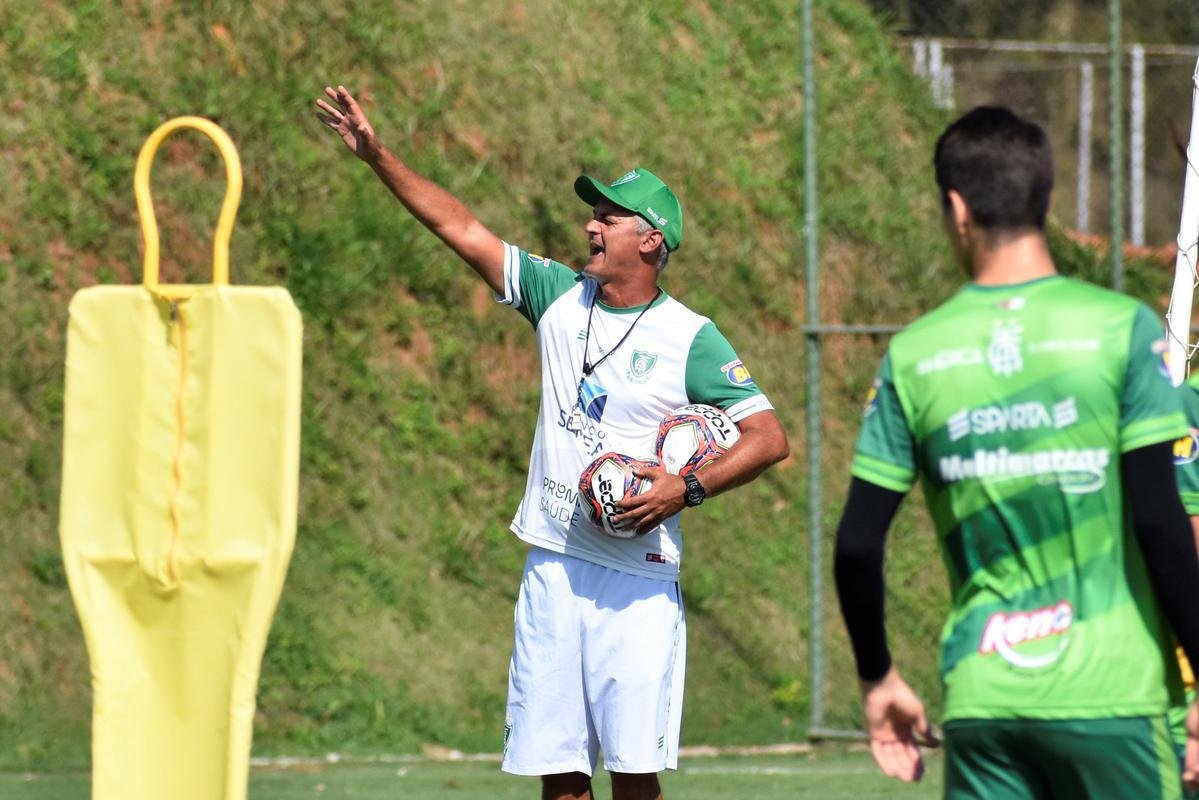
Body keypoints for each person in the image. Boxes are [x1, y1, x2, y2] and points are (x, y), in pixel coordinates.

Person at [316, 85, 788, 800]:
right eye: (593, 214)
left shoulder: (690, 337)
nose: (591, 225)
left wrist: (683, 488)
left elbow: (768, 437)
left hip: (637, 582)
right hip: (554, 564)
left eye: (609, 217)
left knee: (634, 779)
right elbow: (460, 227)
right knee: (561, 780)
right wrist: (377, 156)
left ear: (651, 240)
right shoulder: (558, 297)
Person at [832, 105, 1199, 799]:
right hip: (1113, 695)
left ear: (955, 209)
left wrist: (878, 676)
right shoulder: (1119, 330)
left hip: (986, 700)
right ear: (1045, 201)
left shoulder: (914, 354)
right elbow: (1160, 521)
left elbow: (856, 544)